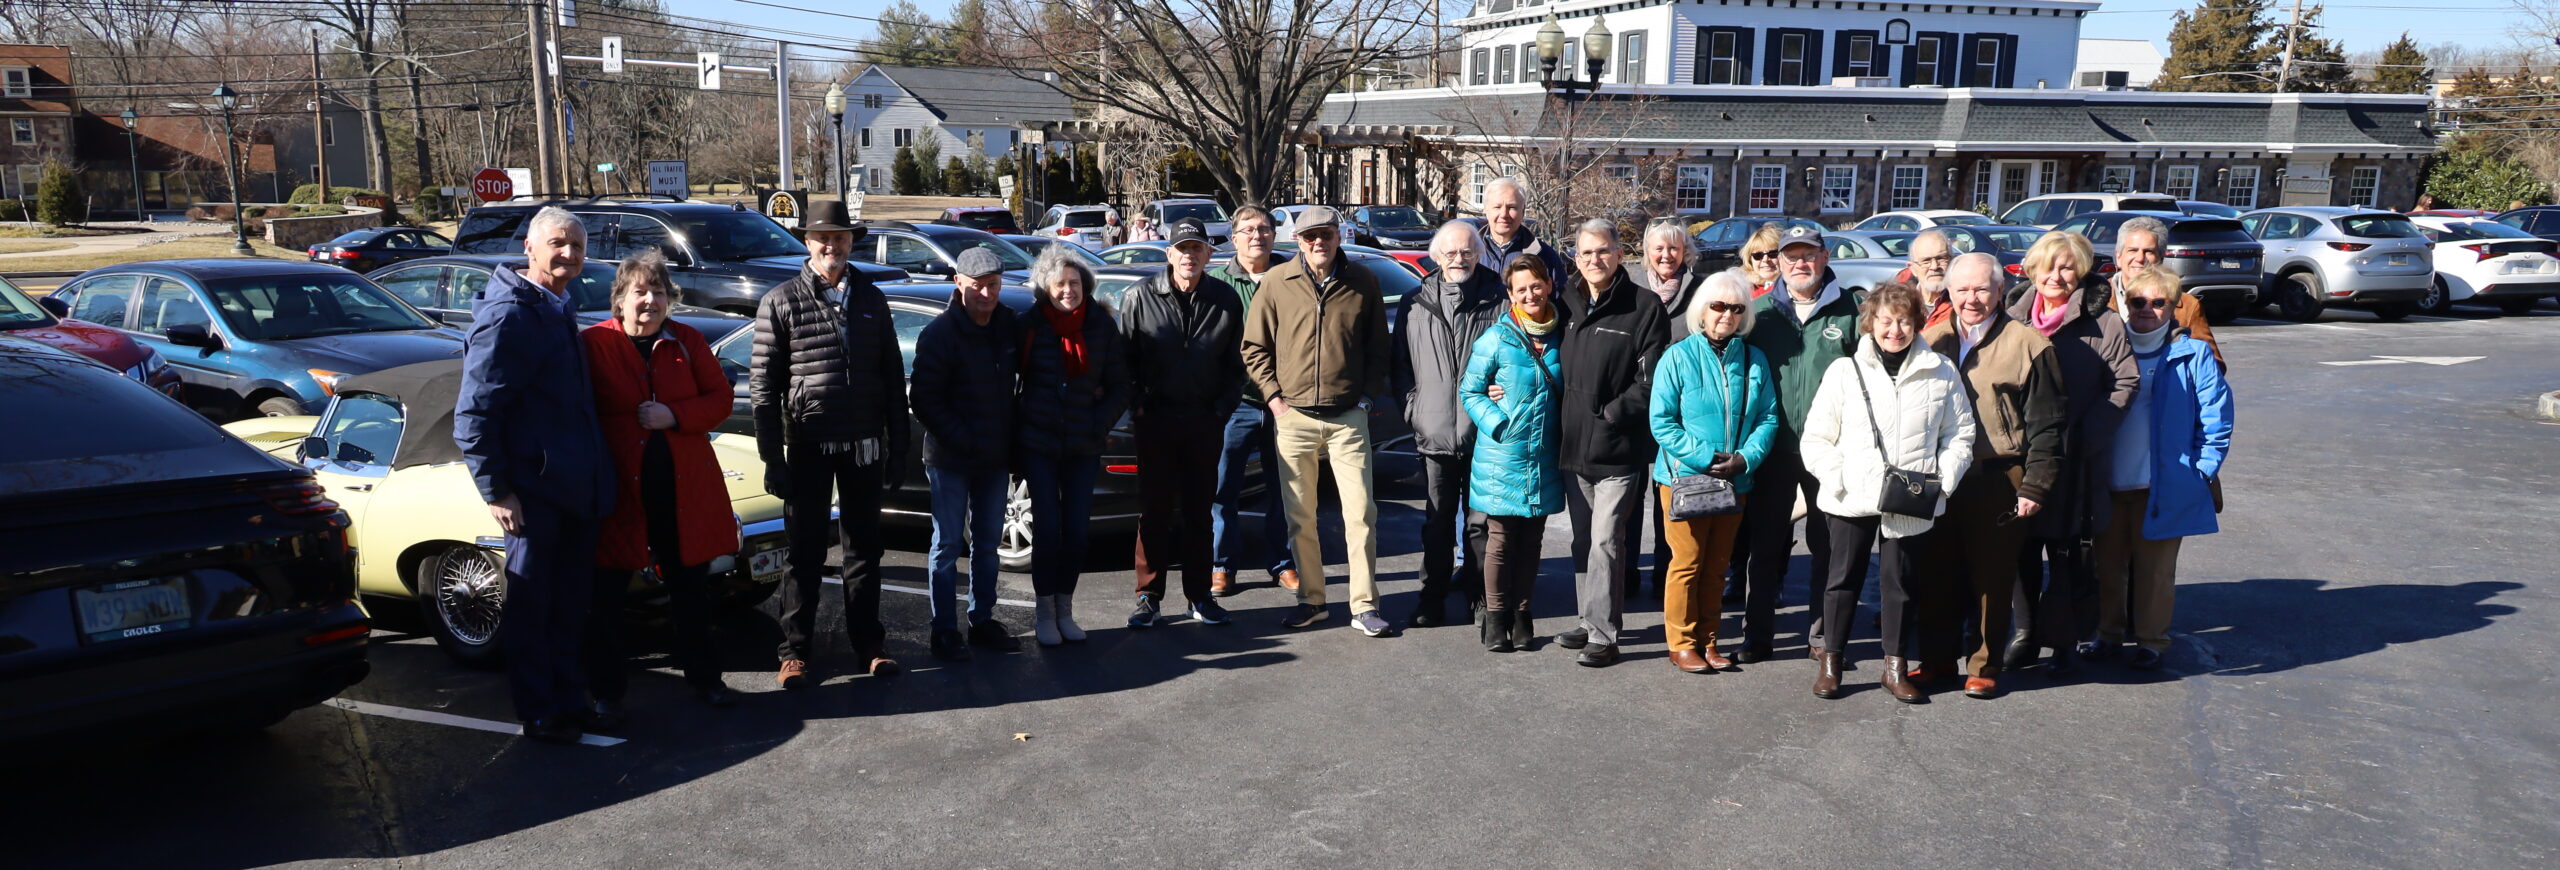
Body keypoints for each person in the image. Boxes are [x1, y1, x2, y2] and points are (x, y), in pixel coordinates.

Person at [453, 206, 616, 743]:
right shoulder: (510, 315)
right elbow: (475, 414)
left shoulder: (557, 306)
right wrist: (497, 489)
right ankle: (540, 711)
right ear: (529, 247)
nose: (568, 253)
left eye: (577, 245)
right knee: (533, 608)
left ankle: (571, 701)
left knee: (569, 607)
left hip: (574, 491)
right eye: (557, 243)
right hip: (532, 494)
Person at [751, 198, 909, 688]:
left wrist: (898, 447)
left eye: (840, 238)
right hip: (809, 446)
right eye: (823, 238)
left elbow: (892, 376)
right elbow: (764, 389)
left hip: (864, 445)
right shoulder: (780, 301)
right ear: (807, 242)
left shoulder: (872, 298)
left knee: (864, 552)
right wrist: (773, 459)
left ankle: (870, 646)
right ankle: (794, 651)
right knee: (804, 555)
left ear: (850, 243)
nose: (832, 246)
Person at [580, 248, 739, 715]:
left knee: (690, 590)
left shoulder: (687, 341)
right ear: (620, 299)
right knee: (607, 596)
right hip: (619, 494)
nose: (650, 300)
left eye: (659, 292)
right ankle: (607, 693)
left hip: (682, 492)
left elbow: (720, 400)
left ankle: (706, 680)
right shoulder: (593, 344)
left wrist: (674, 415)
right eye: (640, 292)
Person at [1799, 282, 1976, 702]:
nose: (1895, 330)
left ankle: (1894, 668)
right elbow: (1816, 437)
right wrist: (1837, 479)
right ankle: (1831, 662)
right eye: (1885, 321)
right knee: (1842, 580)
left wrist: (1942, 482)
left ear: (1917, 323)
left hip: (1911, 494)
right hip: (1851, 493)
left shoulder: (1941, 371)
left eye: (1904, 321)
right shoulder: (1844, 371)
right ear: (1870, 323)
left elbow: (1960, 434)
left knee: (1900, 584)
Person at [1913, 252, 2066, 700]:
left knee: (1992, 578)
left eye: (1982, 289)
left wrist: (2035, 484)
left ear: (2001, 290)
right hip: (1940, 476)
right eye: (1962, 289)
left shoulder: (2030, 345)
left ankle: (1983, 665)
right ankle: (1938, 660)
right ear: (1949, 292)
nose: (1972, 298)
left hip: (2000, 476)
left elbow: (2048, 425)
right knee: (1936, 572)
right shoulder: (1930, 340)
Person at [1241, 205, 1395, 636]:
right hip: (1294, 418)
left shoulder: (1362, 281)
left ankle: (1364, 605)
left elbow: (1378, 348)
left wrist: (1365, 398)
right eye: (1310, 237)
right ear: (1299, 241)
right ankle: (1312, 600)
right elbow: (1254, 347)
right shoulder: (1277, 281)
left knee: (1360, 514)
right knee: (1301, 517)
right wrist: (1275, 400)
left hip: (1348, 418)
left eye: (1325, 234)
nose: (1318, 243)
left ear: (1338, 236)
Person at [2003, 230, 2137, 676]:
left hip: (2076, 458)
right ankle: (2025, 634)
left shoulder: (2105, 322)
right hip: (2022, 457)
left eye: (2067, 267)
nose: (2056, 276)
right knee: (2021, 550)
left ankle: (2063, 640)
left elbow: (2125, 382)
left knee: (2065, 553)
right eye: (2048, 266)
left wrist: (2087, 435)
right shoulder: (2012, 318)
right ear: (2032, 270)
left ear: (2080, 272)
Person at [2089, 267, 2234, 670]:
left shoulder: (2195, 355)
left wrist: (2199, 471)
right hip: (2108, 482)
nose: (2147, 309)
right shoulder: (2106, 349)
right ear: (2125, 303)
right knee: (2107, 568)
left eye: (2158, 302)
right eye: (2138, 301)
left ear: (2173, 308)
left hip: (2163, 485)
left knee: (2155, 573)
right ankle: (2107, 635)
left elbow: (2216, 420)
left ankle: (2152, 641)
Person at [1737, 224, 1867, 663]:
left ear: (1825, 257)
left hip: (1830, 450)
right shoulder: (1759, 315)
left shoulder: (1851, 311)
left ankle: (1822, 636)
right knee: (1764, 546)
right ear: (1779, 262)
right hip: (1773, 448)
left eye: (1808, 255)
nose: (1799, 264)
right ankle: (1757, 636)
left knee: (1827, 546)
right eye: (1790, 256)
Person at [1551, 218, 1670, 668]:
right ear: (1576, 258)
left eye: (1603, 251)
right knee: (1583, 540)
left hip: (1619, 448)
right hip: (1574, 446)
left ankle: (1604, 634)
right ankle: (1588, 620)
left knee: (1606, 541)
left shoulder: (1644, 307)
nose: (1594, 259)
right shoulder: (1566, 302)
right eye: (1586, 253)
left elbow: (1651, 381)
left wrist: (1613, 416)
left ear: (1620, 254)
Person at [1647, 269, 1778, 673]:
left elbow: (1768, 417)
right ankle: (1681, 642)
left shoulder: (1754, 359)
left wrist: (1746, 458)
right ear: (1702, 310)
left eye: (1736, 308)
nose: (1727, 315)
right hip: (1684, 479)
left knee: (1718, 564)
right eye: (1718, 306)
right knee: (1687, 562)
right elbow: (1662, 422)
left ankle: (1708, 640)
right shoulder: (1678, 356)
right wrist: (1706, 457)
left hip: (1734, 480)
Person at [1120, 218, 1243, 630]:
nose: (1189, 256)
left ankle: (1199, 596)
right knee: (1153, 512)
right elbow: (1124, 362)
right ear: (1169, 253)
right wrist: (1138, 404)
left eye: (1196, 248)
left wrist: (1220, 410)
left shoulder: (1225, 300)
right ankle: (1148, 596)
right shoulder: (1140, 297)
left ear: (1208, 254)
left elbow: (1235, 365)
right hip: (1155, 422)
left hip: (1203, 422)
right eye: (1182, 249)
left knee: (1199, 514)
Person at [909, 246, 1025, 661]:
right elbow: (924, 399)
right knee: (946, 545)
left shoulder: (1008, 326)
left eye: (993, 285)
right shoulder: (940, 334)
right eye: (978, 285)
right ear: (959, 283)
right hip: (950, 458)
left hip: (994, 458)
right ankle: (944, 630)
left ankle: (982, 620)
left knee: (987, 544)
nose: (987, 294)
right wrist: (965, 439)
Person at [1018, 243, 1131, 645]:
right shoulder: (1030, 325)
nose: (1068, 290)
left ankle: (1065, 608)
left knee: (1078, 532)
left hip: (1084, 444)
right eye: (1060, 284)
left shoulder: (1101, 326)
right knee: (1048, 530)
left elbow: (1120, 385)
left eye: (1075, 283)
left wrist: (1098, 424)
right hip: (1040, 444)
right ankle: (1044, 612)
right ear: (1046, 288)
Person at [1394, 220, 1505, 628]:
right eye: (1451, 252)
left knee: (1480, 524)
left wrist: (1504, 394)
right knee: (1437, 522)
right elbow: (1399, 365)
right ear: (1436, 256)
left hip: (1484, 433)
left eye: (1467, 252)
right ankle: (1432, 598)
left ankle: (1479, 595)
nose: (1459, 259)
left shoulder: (1500, 299)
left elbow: (1517, 358)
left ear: (1479, 255)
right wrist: (1413, 409)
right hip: (1434, 432)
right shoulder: (1415, 301)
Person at [1462, 254, 1568, 653]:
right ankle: (1495, 617)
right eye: (1521, 289)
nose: (1530, 294)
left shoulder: (1563, 334)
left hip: (1544, 453)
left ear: (1549, 286)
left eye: (1536, 285)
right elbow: (1470, 390)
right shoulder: (1496, 338)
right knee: (1501, 539)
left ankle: (1523, 615)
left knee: (1532, 541)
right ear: (1510, 295)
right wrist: (1498, 423)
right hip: (1502, 454)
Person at [1208, 205, 1300, 596]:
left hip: (1287, 401)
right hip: (1236, 403)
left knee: (1286, 489)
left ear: (1274, 235)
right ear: (1234, 238)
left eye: (1263, 229)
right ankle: (1222, 565)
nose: (1256, 236)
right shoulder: (1217, 282)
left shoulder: (1292, 277)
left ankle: (1282, 563)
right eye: (1247, 230)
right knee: (1223, 488)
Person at [2106, 216, 2221, 363]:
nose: (2140, 258)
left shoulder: (2188, 305)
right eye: (2132, 250)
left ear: (2161, 258)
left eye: (2149, 251)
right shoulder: (2094, 298)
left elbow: (2211, 363)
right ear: (2118, 256)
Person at [1475, 177, 1566, 280]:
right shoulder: (1469, 252)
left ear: (1522, 211)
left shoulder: (1543, 255)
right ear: (1486, 210)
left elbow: (1559, 290)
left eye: (1512, 207)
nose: (1504, 214)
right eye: (1497, 207)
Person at [1896, 228, 1959, 329]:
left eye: (1941, 258)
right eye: (1926, 261)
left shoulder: (1962, 302)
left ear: (1951, 261)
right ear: (1912, 268)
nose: (1934, 266)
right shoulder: (1898, 299)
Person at [1739, 224, 1787, 297]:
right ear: (1750, 260)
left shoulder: (1794, 289)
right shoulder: (1740, 290)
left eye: (1773, 254)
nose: (1765, 260)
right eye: (1758, 255)